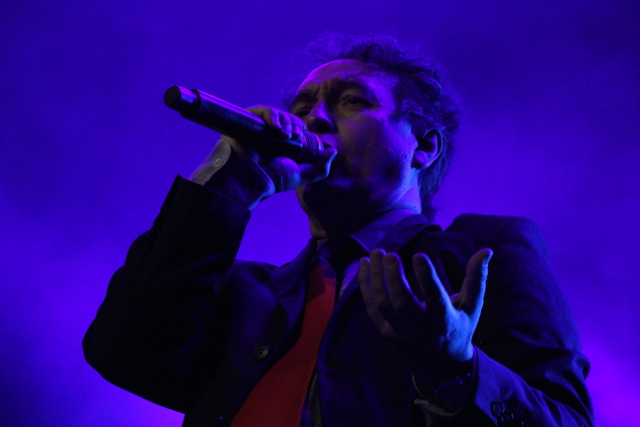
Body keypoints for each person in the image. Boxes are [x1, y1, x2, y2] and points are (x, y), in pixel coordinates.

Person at [84, 35, 594, 427]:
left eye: (351, 101)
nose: (313, 120)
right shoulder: (242, 293)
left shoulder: (482, 251)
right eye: (302, 108)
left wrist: (457, 369)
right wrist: (227, 180)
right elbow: (122, 353)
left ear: (424, 146)